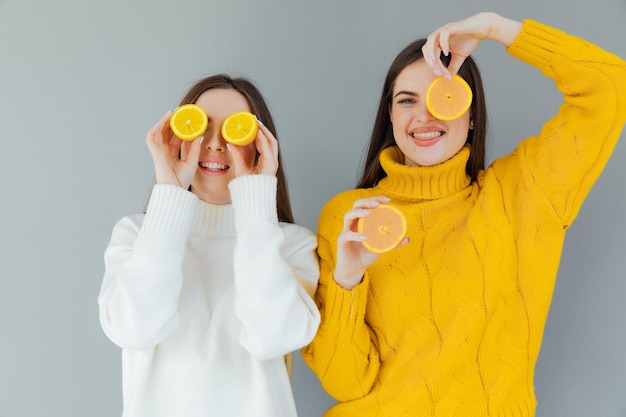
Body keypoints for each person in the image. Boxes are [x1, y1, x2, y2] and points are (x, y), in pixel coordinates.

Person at [302, 12, 626, 417]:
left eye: (445, 96)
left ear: (471, 115)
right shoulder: (350, 217)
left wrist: (494, 28)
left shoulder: (523, 193)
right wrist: (348, 281)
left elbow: (611, 85)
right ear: (390, 115)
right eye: (407, 100)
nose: (425, 115)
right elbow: (345, 383)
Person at [98, 74, 321, 417]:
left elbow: (271, 337)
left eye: (236, 129)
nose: (214, 143)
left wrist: (255, 204)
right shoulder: (136, 235)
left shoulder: (292, 245)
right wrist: (169, 193)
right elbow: (134, 329)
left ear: (261, 144)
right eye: (200, 127)